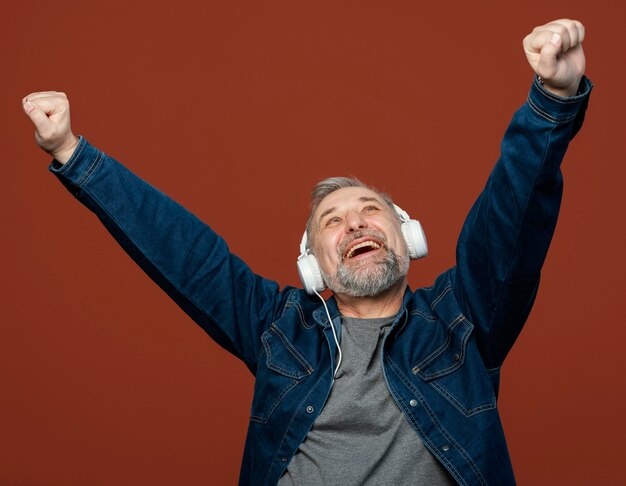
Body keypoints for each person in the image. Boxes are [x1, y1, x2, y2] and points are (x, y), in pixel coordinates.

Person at [23, 18, 592, 486]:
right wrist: (73, 153)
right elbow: (183, 252)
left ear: (407, 236)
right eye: (333, 221)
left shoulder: (462, 321)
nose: (354, 224)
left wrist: (552, 100)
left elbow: (511, 216)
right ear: (313, 266)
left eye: (371, 211)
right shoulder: (278, 331)